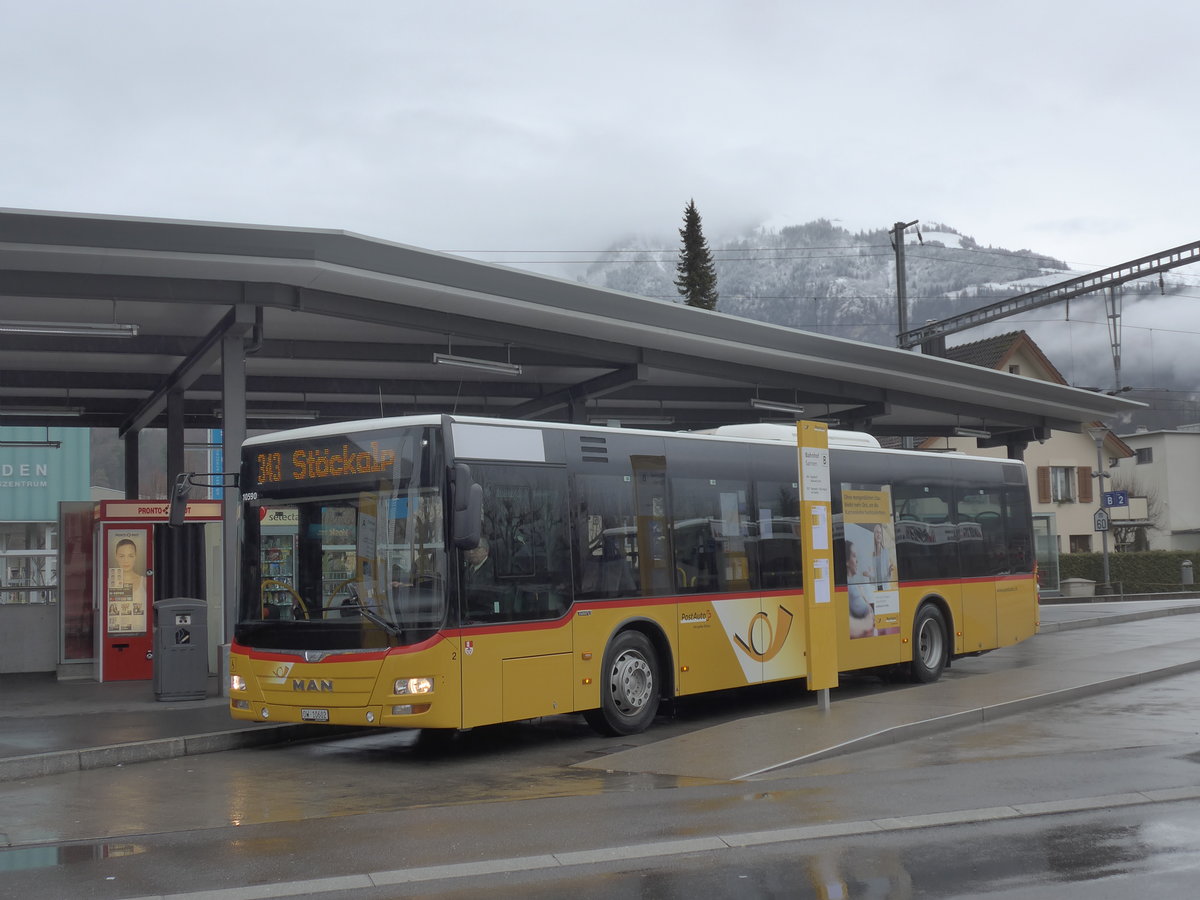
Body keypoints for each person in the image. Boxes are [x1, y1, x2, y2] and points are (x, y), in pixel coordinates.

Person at [846, 542, 875, 638]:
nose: (857, 561)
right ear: (847, 561)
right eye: (854, 556)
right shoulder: (849, 588)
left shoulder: (853, 585)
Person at [112, 538, 147, 606]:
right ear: (116, 557)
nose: (126, 560)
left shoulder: (145, 582)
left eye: (130, 556)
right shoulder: (108, 583)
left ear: (135, 557)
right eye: (122, 556)